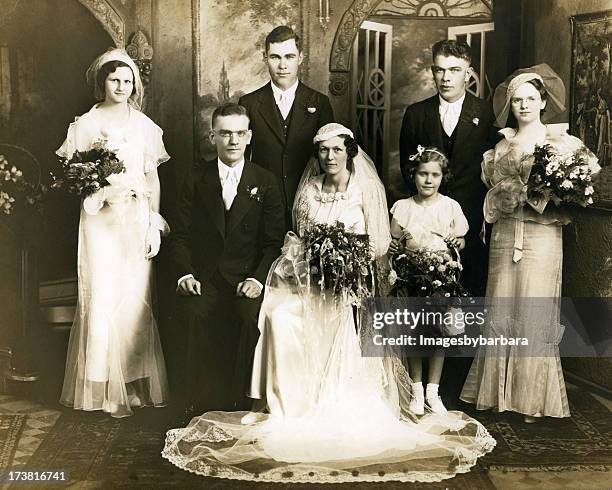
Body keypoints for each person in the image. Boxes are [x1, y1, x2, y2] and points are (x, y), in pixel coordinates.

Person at [162, 123, 495, 484]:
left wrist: (347, 270)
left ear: (350, 152)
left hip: (352, 283)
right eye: (323, 150)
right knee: (279, 313)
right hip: (310, 278)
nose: (330, 157)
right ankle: (284, 403)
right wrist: (311, 266)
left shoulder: (366, 190)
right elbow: (297, 241)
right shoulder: (309, 190)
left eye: (337, 150)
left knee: (334, 318)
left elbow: (379, 246)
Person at [460, 64, 600, 422]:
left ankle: (532, 400)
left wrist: (547, 191)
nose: (524, 105)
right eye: (518, 99)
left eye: (531, 99)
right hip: (506, 233)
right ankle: (496, 394)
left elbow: (577, 192)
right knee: (502, 304)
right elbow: (491, 193)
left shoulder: (561, 144)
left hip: (541, 233)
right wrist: (504, 194)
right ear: (511, 104)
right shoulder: (500, 147)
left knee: (535, 307)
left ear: (543, 102)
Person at [58, 48, 170, 418]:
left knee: (134, 299)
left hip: (136, 217)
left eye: (127, 81)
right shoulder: (85, 124)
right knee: (103, 294)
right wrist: (98, 191)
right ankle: (102, 383)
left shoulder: (145, 127)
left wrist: (153, 220)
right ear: (102, 82)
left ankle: (133, 381)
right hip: (100, 221)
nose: (121, 86)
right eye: (114, 79)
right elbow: (74, 176)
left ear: (135, 85)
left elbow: (152, 178)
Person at [167, 103, 285, 414]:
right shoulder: (195, 178)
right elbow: (179, 236)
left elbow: (274, 243)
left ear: (249, 137)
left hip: (245, 277)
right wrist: (185, 275)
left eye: (239, 133)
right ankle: (196, 401)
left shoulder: (266, 180)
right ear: (212, 137)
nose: (233, 140)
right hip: (204, 278)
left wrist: (258, 279)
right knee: (193, 312)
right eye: (225, 133)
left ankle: (240, 403)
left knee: (249, 317)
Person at [399, 39, 495, 296]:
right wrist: (429, 207)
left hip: (471, 218)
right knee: (424, 293)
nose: (446, 77)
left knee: (469, 291)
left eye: (454, 70)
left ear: (468, 73)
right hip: (425, 220)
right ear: (432, 72)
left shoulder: (485, 113)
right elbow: (408, 169)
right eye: (440, 70)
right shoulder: (416, 114)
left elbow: (492, 169)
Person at [388, 146, 469, 415]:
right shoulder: (403, 207)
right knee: (413, 333)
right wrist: (395, 248)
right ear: (414, 175)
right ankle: (416, 389)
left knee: (438, 334)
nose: (428, 180)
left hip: (441, 279)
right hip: (411, 277)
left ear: (442, 177)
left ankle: (433, 392)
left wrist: (457, 242)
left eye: (435, 174)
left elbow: (461, 241)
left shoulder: (450, 207)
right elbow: (395, 241)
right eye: (423, 174)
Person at [239, 25, 334, 226]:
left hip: (310, 205)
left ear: (300, 57)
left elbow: (330, 157)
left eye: (289, 57)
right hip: (262, 207)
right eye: (275, 57)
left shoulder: (320, 103)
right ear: (265, 58)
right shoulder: (248, 104)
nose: (282, 65)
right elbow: (242, 160)